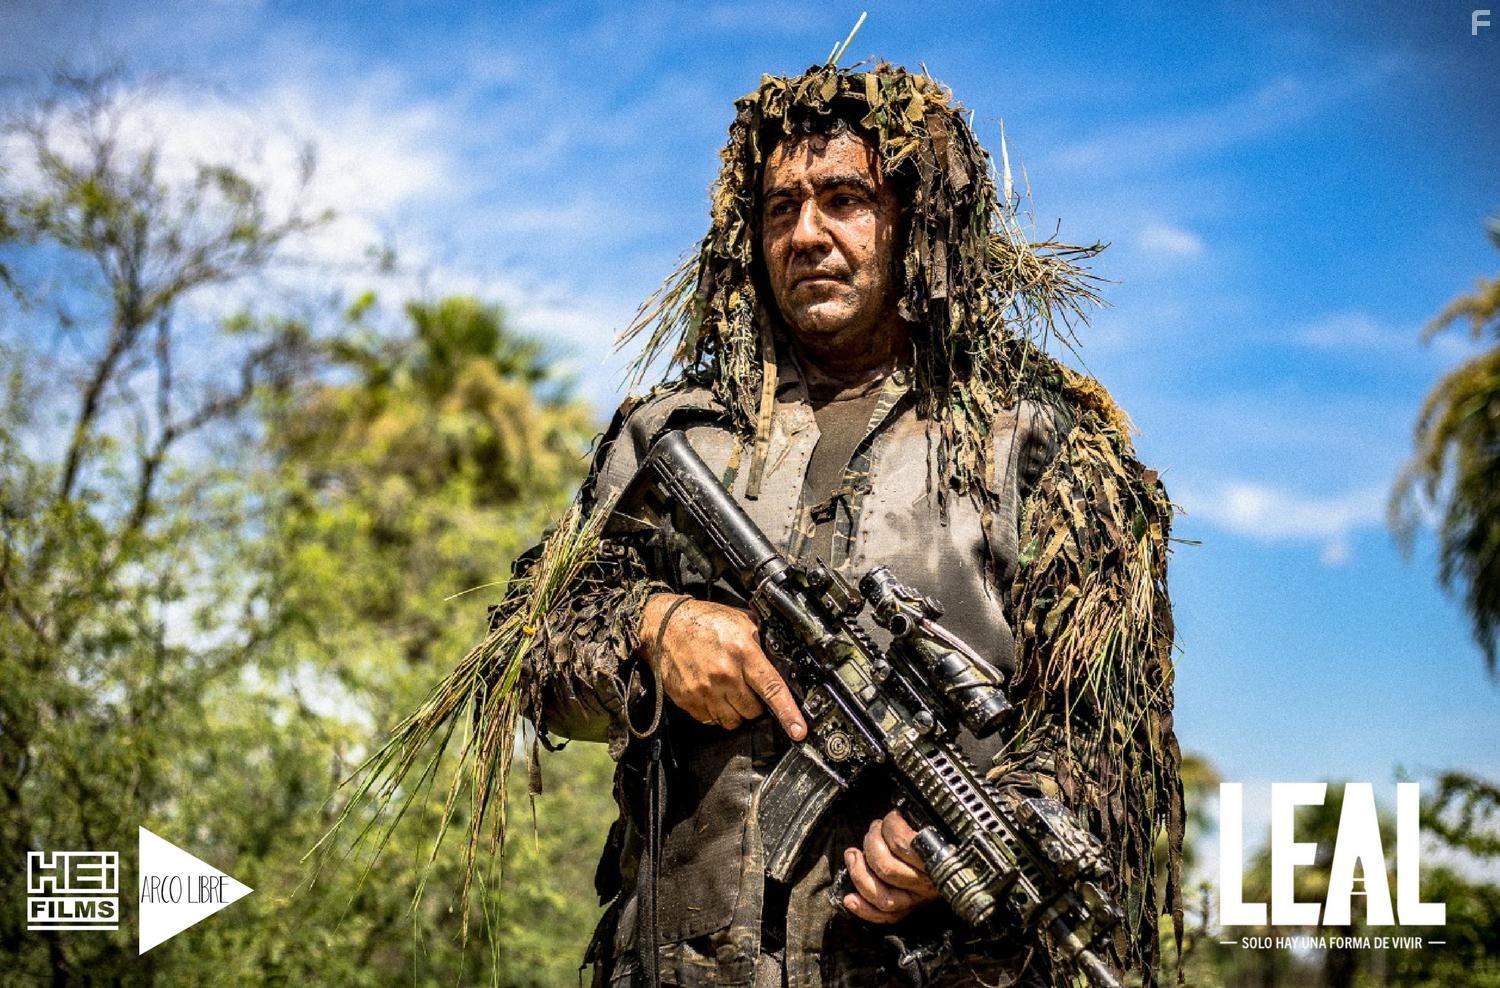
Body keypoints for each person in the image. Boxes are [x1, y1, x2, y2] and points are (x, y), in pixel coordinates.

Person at [498, 62, 1182, 988]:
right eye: (781, 208)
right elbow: (526, 657)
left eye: (845, 200)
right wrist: (657, 629)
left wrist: (975, 835)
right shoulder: (674, 437)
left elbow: (1109, 751)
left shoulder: (1040, 444)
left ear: (917, 221)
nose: (807, 234)